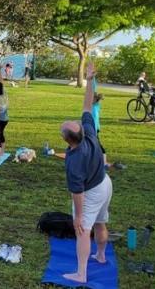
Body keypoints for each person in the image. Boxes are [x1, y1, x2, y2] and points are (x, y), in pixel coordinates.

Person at [60, 63, 113, 284]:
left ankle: (81, 274)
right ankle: (100, 255)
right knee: (101, 223)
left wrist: (79, 217)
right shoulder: (89, 133)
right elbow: (87, 106)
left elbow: (77, 193)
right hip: (105, 184)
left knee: (83, 230)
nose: (75, 120)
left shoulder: (73, 161)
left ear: (66, 140)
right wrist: (90, 80)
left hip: (91, 192)